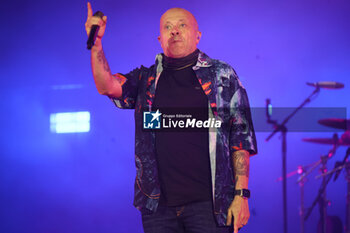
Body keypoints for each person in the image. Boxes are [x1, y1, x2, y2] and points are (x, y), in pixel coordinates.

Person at [85, 3, 257, 233]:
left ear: (198, 36)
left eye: (181, 25)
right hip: (158, 208)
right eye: (167, 27)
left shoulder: (221, 76)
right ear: (160, 39)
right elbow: (107, 86)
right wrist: (96, 45)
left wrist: (241, 195)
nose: (174, 30)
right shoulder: (146, 80)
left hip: (209, 206)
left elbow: (240, 138)